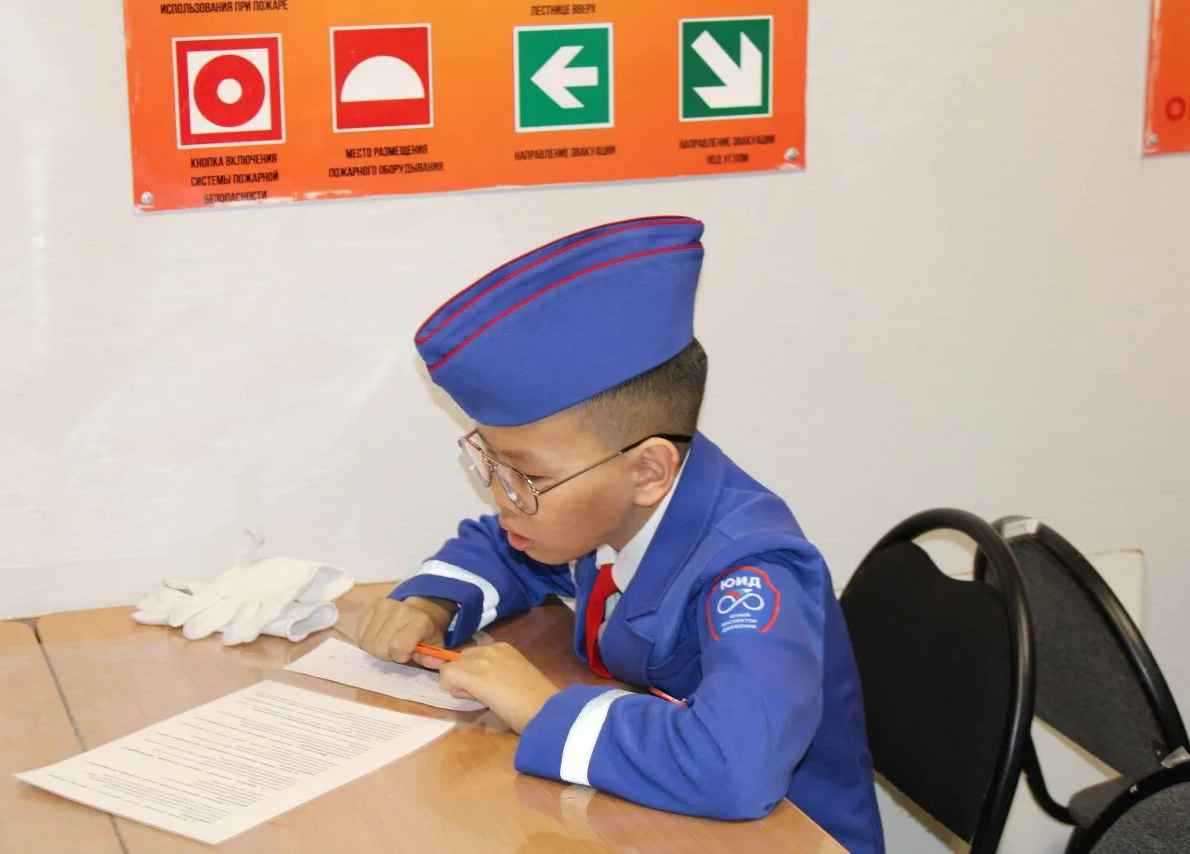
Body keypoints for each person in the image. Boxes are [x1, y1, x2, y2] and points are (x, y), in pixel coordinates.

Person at [353, 215, 885, 854]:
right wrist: (431, 603)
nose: (503, 498)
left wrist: (542, 709)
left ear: (648, 471)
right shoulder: (605, 512)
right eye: (491, 464)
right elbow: (505, 547)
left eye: (527, 477)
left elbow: (737, 769)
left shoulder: (751, 570)